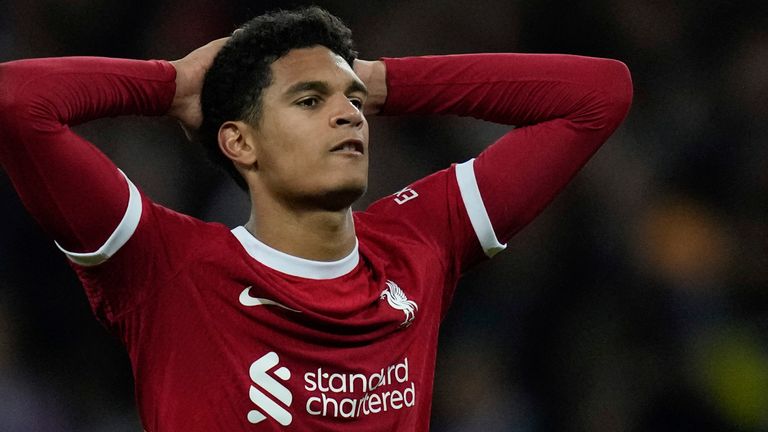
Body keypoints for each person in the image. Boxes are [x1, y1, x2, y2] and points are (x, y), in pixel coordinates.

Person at [0, 6, 632, 431]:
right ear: (240, 142)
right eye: (309, 100)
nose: (348, 115)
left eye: (353, 103)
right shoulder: (166, 267)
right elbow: (17, 102)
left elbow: (597, 96)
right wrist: (169, 84)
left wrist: (381, 83)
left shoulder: (418, 243)